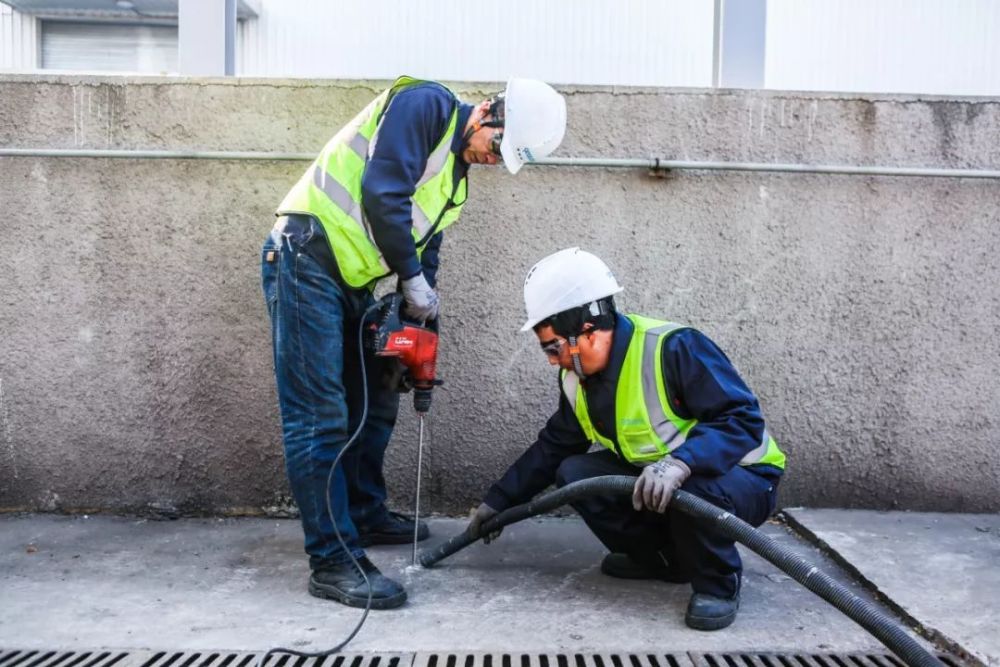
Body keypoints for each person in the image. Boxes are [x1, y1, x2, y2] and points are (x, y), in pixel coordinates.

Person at [261, 76, 567, 609]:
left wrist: (419, 322)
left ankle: (364, 513)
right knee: (321, 417)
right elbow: (382, 192)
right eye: (498, 147)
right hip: (306, 255)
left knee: (373, 404)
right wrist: (411, 279)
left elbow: (426, 254)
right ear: (489, 113)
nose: (496, 160)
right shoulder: (426, 105)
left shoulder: (456, 180)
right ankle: (332, 560)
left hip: (354, 281)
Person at [467, 248, 786, 630]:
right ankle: (665, 561)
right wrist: (498, 501)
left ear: (587, 328)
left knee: (695, 489)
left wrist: (680, 463)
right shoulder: (575, 378)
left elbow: (741, 418)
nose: (553, 360)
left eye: (554, 347)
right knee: (574, 473)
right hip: (661, 481)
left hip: (741, 479)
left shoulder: (673, 347)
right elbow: (556, 445)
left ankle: (717, 583)